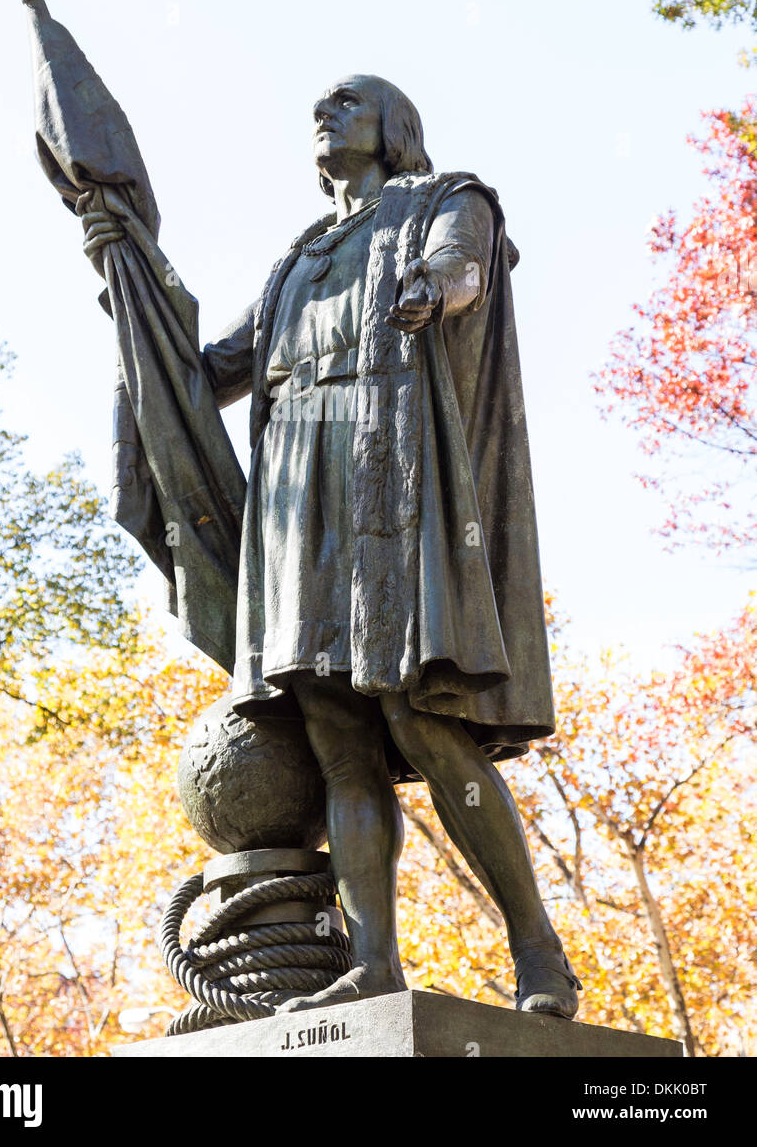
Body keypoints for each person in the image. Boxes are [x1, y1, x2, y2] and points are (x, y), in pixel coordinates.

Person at [84, 72, 582, 1018]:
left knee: (420, 722)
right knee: (340, 743)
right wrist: (128, 281)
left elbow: (465, 269)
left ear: (395, 127)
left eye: (346, 100)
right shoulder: (299, 260)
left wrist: (435, 292)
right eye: (318, 105)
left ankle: (539, 955)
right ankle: (374, 961)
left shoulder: (446, 200)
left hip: (388, 483)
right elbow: (209, 374)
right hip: (294, 506)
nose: (323, 112)